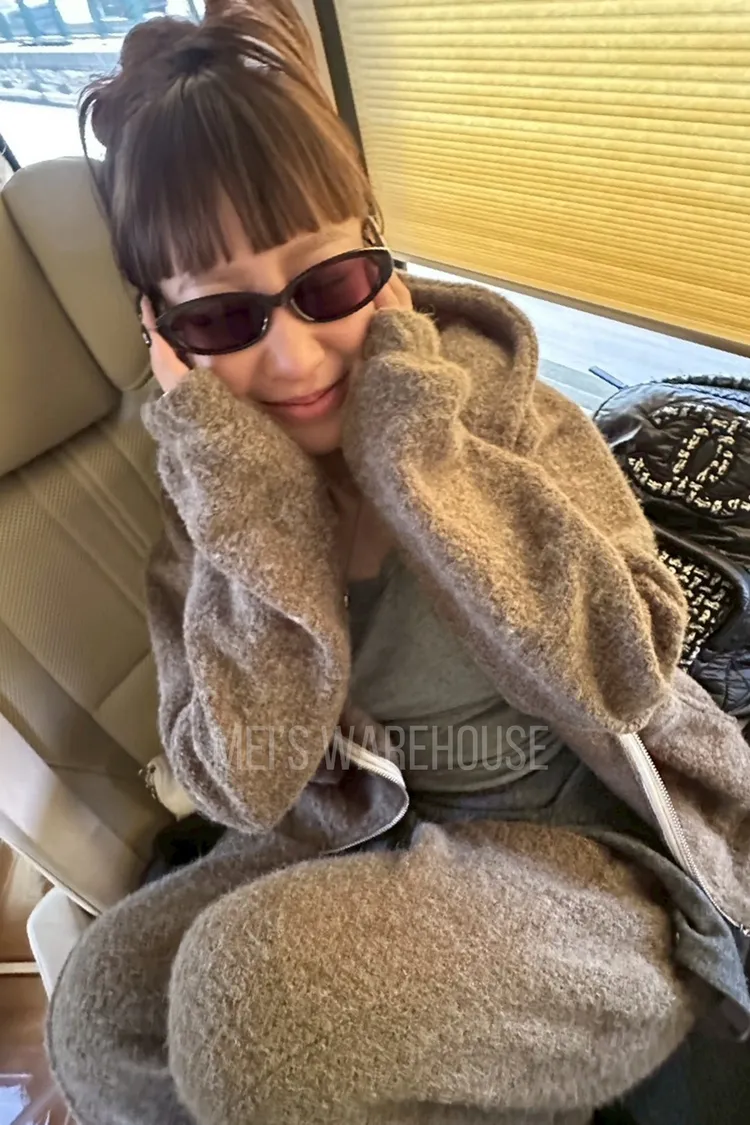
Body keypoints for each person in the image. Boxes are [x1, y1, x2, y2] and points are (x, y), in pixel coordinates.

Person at [47, 3, 750, 1124]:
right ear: (162, 333)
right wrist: (251, 507)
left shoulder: (514, 415)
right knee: (101, 1018)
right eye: (223, 319)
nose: (294, 356)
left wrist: (419, 458)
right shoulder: (209, 507)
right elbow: (243, 786)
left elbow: (624, 677)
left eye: (326, 286)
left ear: (383, 265)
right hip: (360, 831)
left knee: (257, 1010)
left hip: (599, 845)